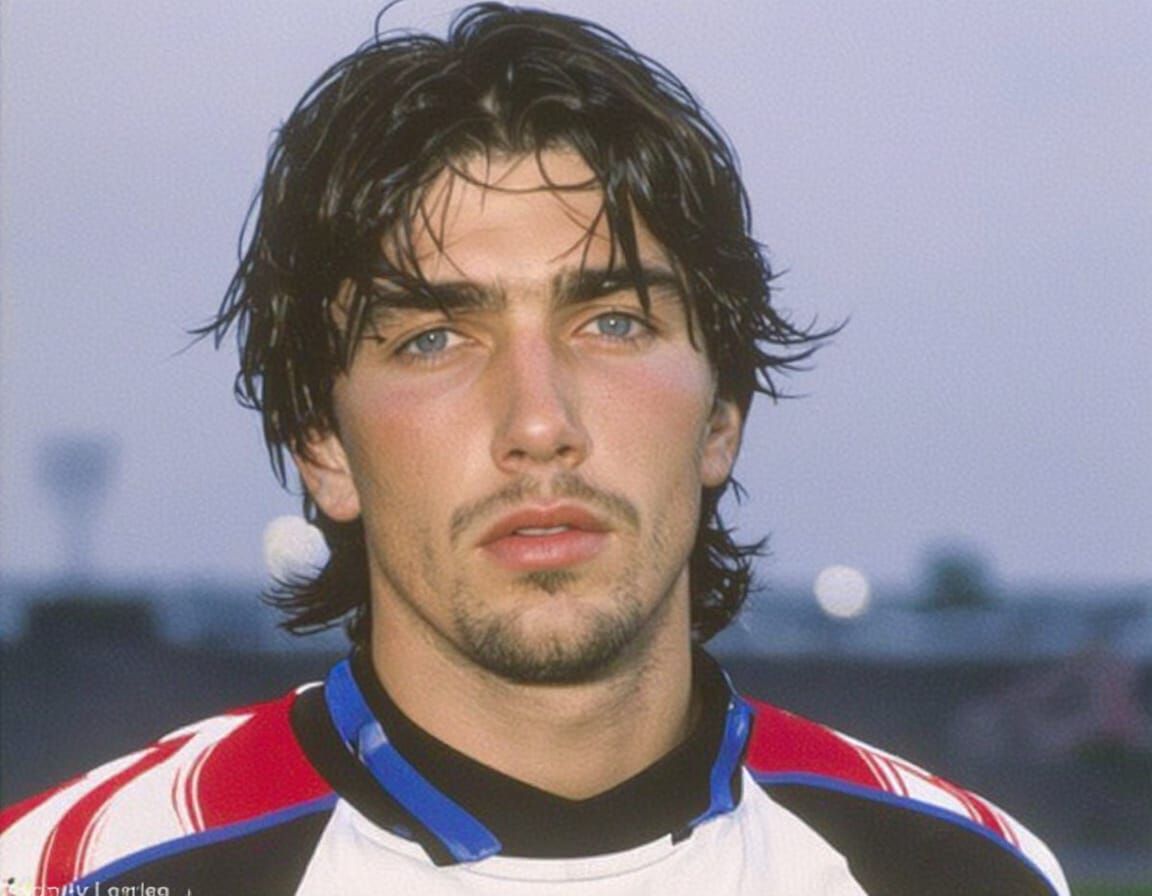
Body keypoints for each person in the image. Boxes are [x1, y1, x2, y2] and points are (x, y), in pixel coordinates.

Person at [0, 5, 1068, 894]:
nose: (538, 420)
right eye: (432, 337)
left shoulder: (966, 869)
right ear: (321, 445)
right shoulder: (76, 873)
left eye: (611, 323)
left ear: (723, 411)